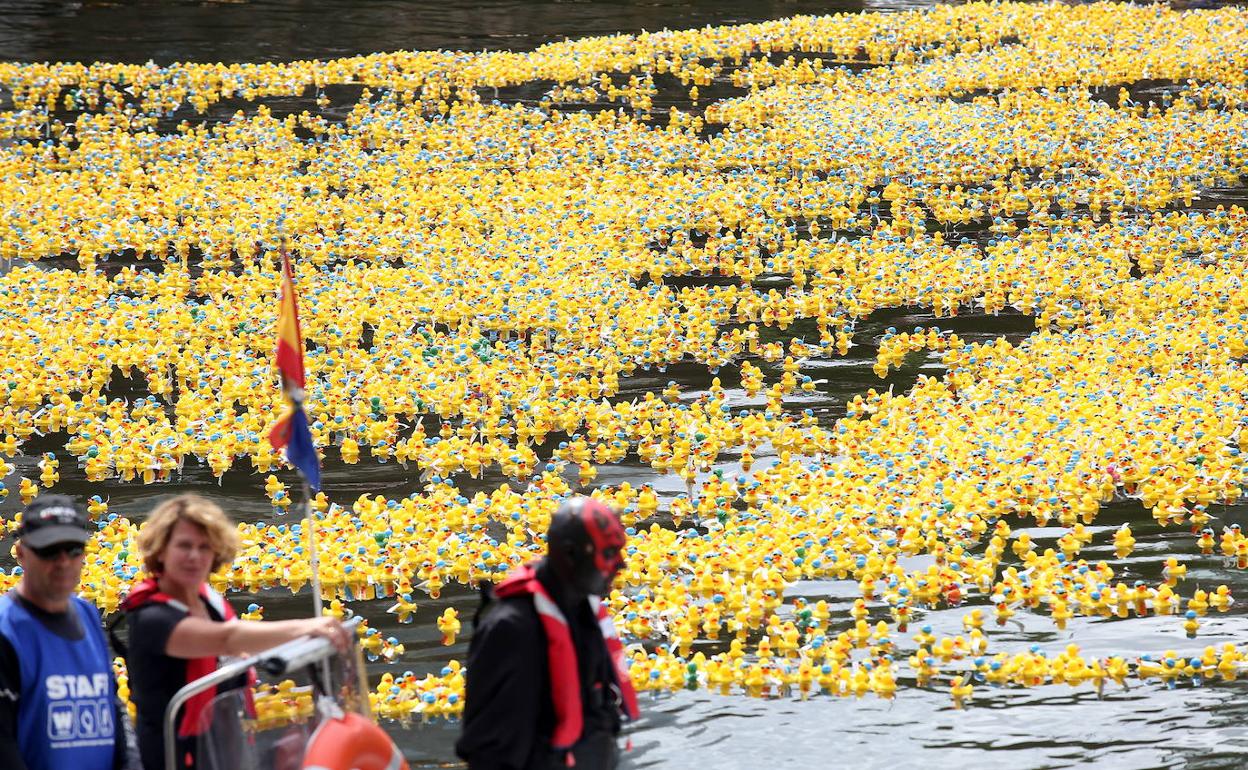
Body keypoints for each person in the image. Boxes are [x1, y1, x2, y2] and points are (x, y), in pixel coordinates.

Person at [119, 494, 348, 770]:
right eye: (184, 546)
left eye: (204, 547)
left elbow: (237, 656)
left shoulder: (209, 601)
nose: (195, 556)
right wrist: (308, 627)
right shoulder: (152, 618)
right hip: (173, 756)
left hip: (223, 747)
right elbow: (227, 639)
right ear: (161, 551)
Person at [456, 496, 639, 770]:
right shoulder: (511, 629)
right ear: (570, 554)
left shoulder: (584, 609)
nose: (621, 565)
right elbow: (489, 748)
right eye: (609, 553)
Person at [0, 494, 132, 770]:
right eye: (49, 550)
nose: (63, 562)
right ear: (22, 553)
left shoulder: (87, 614)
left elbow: (111, 707)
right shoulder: (6, 629)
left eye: (72, 550)